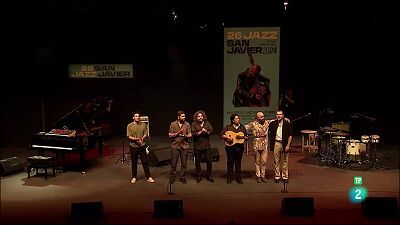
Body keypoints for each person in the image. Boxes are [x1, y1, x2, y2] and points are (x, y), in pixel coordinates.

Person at [127, 112, 155, 184]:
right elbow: (129, 136)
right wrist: (136, 139)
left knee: (145, 161)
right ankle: (134, 177)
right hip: (133, 146)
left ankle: (148, 177)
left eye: (138, 116)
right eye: (136, 116)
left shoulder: (143, 124)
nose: (137, 117)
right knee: (134, 162)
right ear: (133, 118)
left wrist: (143, 137)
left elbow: (146, 133)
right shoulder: (129, 126)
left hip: (142, 145)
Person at [221, 114, 248, 184]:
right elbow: (221, 135)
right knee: (230, 162)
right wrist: (227, 138)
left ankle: (238, 178)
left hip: (239, 148)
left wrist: (246, 138)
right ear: (233, 120)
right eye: (237, 118)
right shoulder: (228, 127)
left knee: (238, 163)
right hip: (230, 148)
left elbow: (245, 135)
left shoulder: (242, 127)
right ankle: (229, 178)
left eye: (238, 118)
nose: (238, 119)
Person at [244, 111, 271, 183]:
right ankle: (258, 176)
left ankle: (263, 175)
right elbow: (243, 127)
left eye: (263, 116)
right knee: (257, 161)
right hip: (256, 146)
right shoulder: (253, 124)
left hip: (265, 146)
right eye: (261, 117)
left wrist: (285, 119)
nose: (263, 118)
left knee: (264, 161)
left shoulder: (267, 123)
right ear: (258, 118)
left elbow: (276, 120)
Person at [268, 110, 293, 183]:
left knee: (285, 161)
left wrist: (288, 145)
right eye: (277, 114)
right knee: (276, 161)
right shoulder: (273, 124)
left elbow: (290, 135)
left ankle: (285, 177)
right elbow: (266, 123)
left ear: (283, 115)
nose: (278, 116)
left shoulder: (287, 124)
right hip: (277, 143)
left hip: (285, 143)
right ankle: (277, 176)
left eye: (280, 114)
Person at [168, 111, 192, 184]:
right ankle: (172, 177)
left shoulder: (187, 124)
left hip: (184, 146)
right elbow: (170, 135)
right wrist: (177, 133)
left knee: (184, 163)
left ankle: (183, 177)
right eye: (182, 116)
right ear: (178, 117)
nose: (184, 118)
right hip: (175, 146)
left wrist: (185, 136)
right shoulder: (173, 124)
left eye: (184, 116)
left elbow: (190, 134)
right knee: (173, 163)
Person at [191, 110, 214, 183]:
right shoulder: (194, 124)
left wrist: (206, 132)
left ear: (203, 117)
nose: (200, 117)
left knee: (209, 161)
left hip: (206, 146)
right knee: (197, 162)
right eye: (199, 116)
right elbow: (193, 133)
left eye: (201, 116)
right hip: (197, 146)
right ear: (196, 117)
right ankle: (198, 176)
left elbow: (211, 131)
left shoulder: (207, 123)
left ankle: (209, 175)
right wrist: (201, 132)